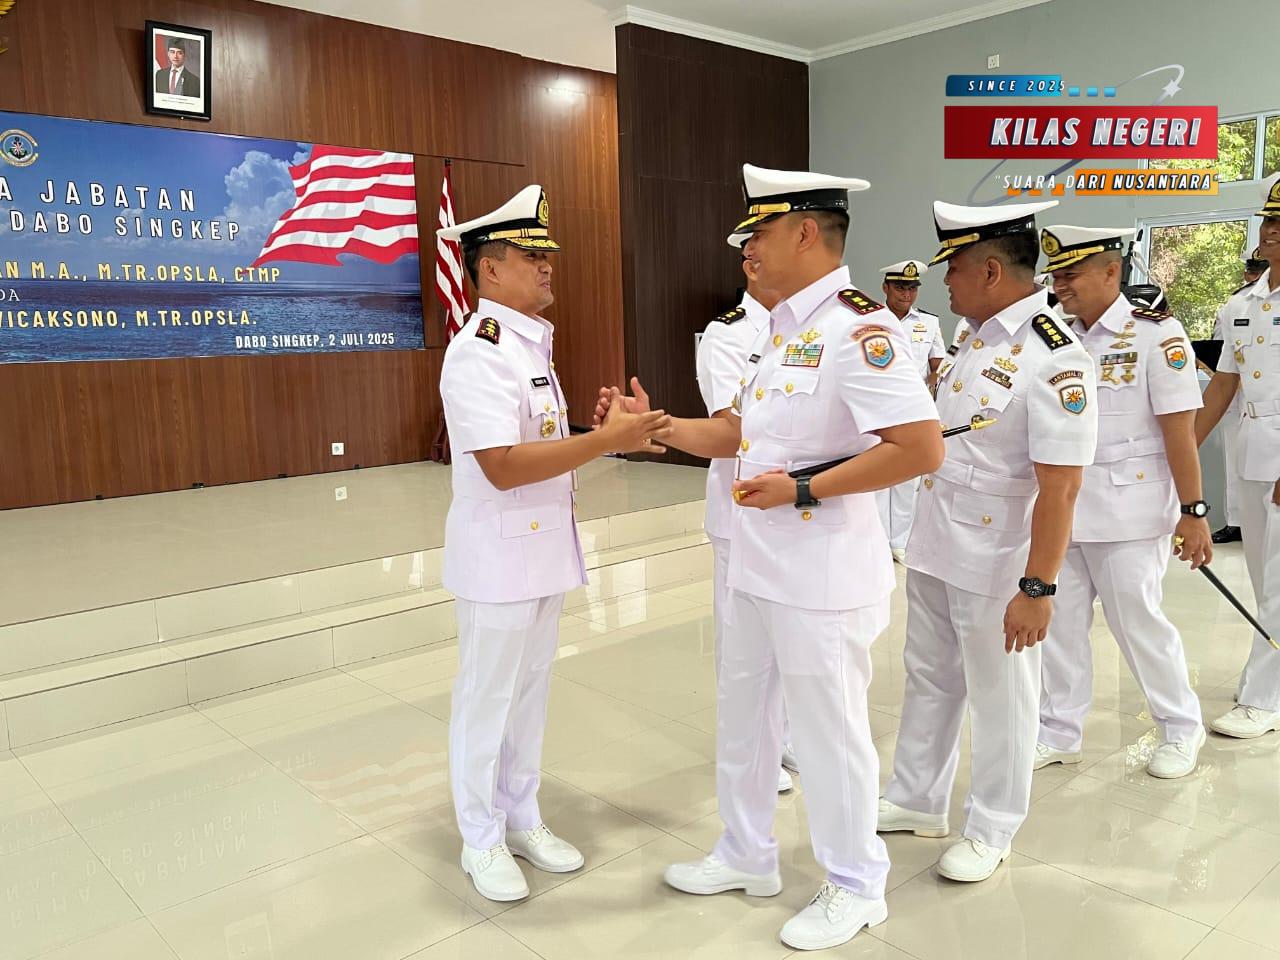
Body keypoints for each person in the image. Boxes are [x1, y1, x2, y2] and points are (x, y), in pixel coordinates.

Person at [600, 164, 943, 950]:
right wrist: (657, 428)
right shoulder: (782, 328)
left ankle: (856, 884)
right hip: (757, 564)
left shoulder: (861, 330)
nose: (745, 247)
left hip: (820, 576)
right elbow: (739, 434)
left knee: (828, 734)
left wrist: (803, 488)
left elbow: (919, 448)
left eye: (758, 232)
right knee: (745, 716)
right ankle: (745, 852)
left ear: (806, 232)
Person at [437, 185, 672, 902]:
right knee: (487, 698)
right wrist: (603, 442)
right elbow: (503, 465)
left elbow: (540, 444)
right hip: (497, 557)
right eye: (529, 256)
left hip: (539, 553)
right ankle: (480, 838)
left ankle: (522, 815)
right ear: (489, 270)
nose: (546, 267)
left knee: (530, 693)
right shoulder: (479, 352)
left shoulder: (528, 343)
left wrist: (604, 433)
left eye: (547, 256)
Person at [878, 199, 1098, 883]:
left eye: (954, 269)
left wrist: (1038, 587)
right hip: (938, 540)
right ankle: (917, 796)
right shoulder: (974, 339)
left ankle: (993, 825)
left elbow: (1061, 487)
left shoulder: (1054, 357)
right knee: (929, 675)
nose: (944, 282)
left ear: (992, 271)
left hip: (999, 558)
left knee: (1002, 695)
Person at [1034, 224, 1210, 780]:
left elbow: (1179, 432)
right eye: (1056, 275)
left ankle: (1180, 726)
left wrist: (1194, 511)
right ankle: (1059, 730)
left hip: (1129, 512)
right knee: (1060, 626)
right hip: (1063, 511)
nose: (1060, 286)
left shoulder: (1157, 334)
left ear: (1112, 271)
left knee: (1138, 624)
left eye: (1072, 274)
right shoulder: (1054, 334)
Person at [696, 245, 795, 793]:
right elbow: (733, 428)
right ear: (751, 267)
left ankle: (785, 737)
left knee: (788, 638)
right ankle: (754, 751)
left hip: (796, 509)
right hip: (742, 510)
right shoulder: (728, 334)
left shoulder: (806, 326)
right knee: (744, 648)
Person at [1195, 172, 1280, 739]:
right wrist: (1179, 452)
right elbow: (1224, 383)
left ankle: (1263, 697)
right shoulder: (1241, 304)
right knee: (1261, 575)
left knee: (1279, 582)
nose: (1269, 230)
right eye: (1269, 219)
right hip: (1251, 450)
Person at [874, 259, 945, 562]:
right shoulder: (869, 319)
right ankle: (877, 541)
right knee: (876, 476)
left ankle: (899, 541)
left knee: (907, 479)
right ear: (886, 287)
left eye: (912, 288)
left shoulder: (929, 323)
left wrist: (934, 383)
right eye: (900, 287)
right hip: (876, 408)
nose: (907, 294)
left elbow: (937, 364)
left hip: (912, 409)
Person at [1211, 246, 1269, 544]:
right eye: (1250, 270)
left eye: (1257, 269)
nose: (1252, 275)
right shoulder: (1237, 304)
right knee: (1235, 462)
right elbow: (1222, 355)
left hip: (1267, 401)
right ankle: (1236, 521)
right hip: (1236, 398)